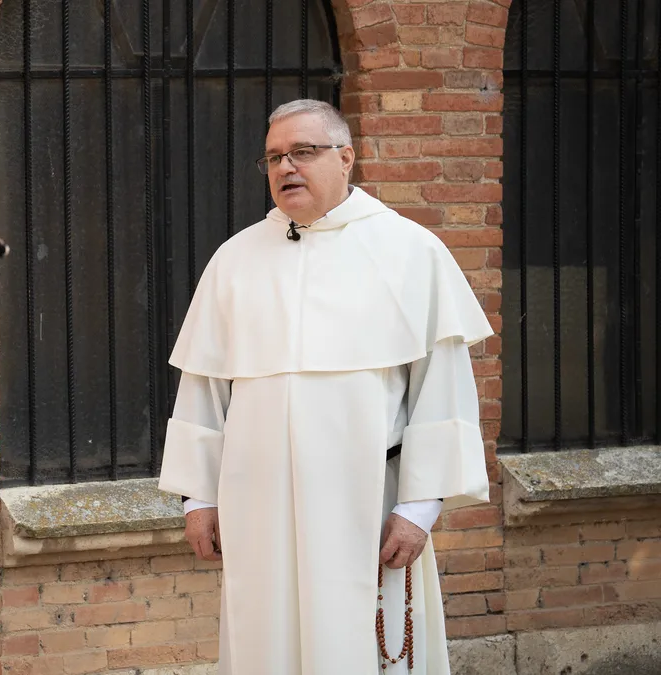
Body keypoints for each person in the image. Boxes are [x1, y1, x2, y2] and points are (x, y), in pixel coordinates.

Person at [157, 99, 493, 674]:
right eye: (273, 158)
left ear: (346, 158)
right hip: (258, 508)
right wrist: (199, 499)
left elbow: (443, 391)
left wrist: (418, 508)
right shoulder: (235, 259)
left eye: (303, 152)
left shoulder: (411, 252)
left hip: (367, 507)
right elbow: (203, 391)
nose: (286, 167)